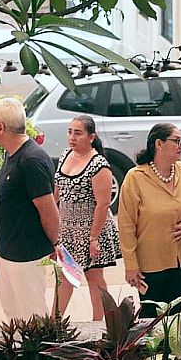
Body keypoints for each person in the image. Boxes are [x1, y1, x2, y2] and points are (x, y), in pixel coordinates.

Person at [118, 123, 181, 318]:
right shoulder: (135, 178)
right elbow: (126, 225)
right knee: (150, 317)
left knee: (175, 315)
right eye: (176, 141)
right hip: (150, 263)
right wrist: (131, 265)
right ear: (159, 143)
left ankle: (172, 349)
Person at [0, 98, 60, 320]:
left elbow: (48, 208)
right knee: (13, 314)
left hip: (26, 254)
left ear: (0, 127)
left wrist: (55, 243)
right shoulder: (12, 154)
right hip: (7, 250)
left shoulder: (32, 159)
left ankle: (38, 355)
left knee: (32, 316)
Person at [53, 115, 121, 321]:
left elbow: (103, 204)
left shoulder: (99, 165)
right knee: (66, 277)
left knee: (95, 278)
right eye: (70, 132)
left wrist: (93, 238)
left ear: (91, 137)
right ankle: (54, 323)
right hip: (68, 230)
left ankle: (101, 325)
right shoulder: (66, 155)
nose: (72, 137)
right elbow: (57, 191)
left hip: (92, 228)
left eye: (78, 133)